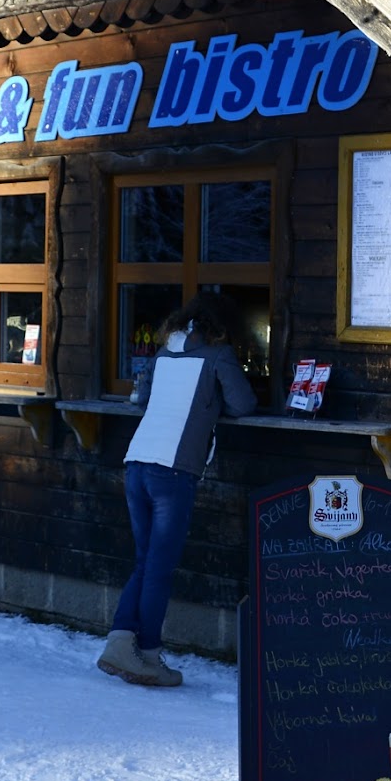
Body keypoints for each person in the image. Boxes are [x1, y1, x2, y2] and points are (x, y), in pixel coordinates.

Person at [97, 292, 256, 687]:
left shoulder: (164, 353)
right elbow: (244, 404)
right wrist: (213, 402)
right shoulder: (218, 355)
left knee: (145, 561)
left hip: (137, 462)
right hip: (173, 470)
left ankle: (120, 641)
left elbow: (143, 399)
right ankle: (149, 655)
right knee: (159, 568)